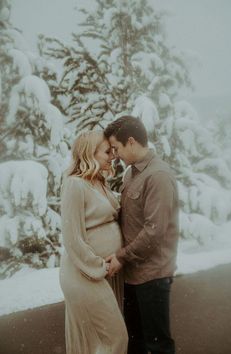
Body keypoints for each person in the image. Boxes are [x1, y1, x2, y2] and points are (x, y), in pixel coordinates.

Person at [104, 116, 179, 354]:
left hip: (152, 276)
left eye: (116, 148)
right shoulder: (131, 174)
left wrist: (121, 257)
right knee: (134, 343)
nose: (114, 154)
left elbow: (154, 232)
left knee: (157, 345)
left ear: (132, 142)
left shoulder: (158, 176)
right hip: (133, 275)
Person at [59, 131, 128, 354]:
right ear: (90, 153)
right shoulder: (74, 185)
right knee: (116, 338)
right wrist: (100, 267)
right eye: (108, 151)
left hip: (103, 273)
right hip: (85, 273)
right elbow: (73, 238)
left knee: (97, 342)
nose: (113, 156)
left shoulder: (99, 183)